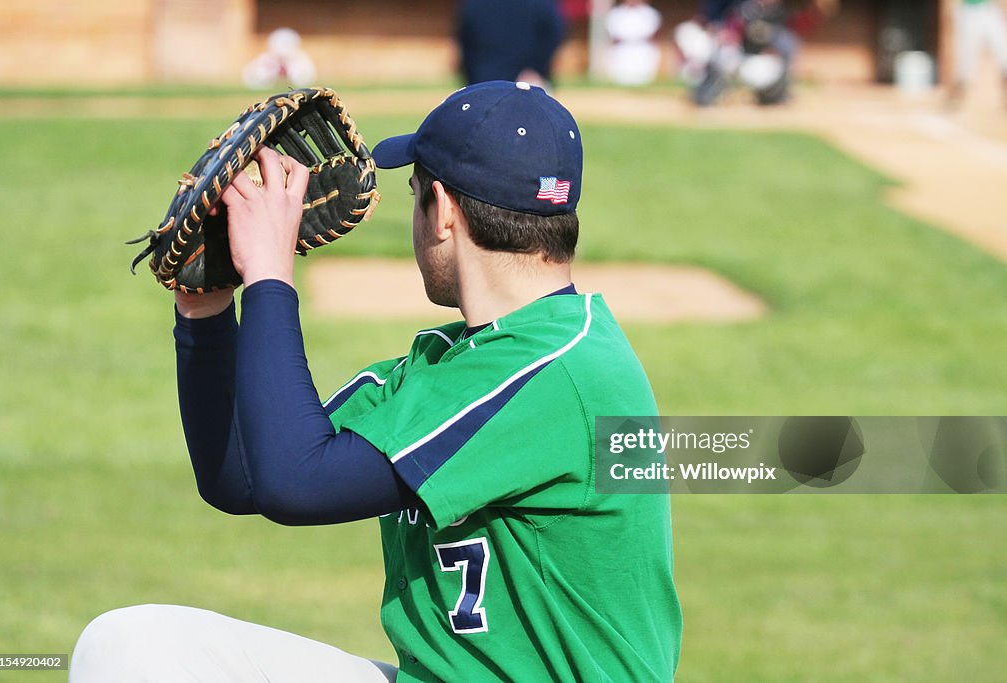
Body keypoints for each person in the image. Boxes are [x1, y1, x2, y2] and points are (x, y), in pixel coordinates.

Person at [69, 81, 682, 681]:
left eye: (413, 189)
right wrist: (206, 311)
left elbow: (295, 487)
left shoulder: (556, 372)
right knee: (130, 644)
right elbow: (244, 477)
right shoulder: (461, 364)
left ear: (441, 210)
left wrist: (270, 275)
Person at [457, 0, 566, 89]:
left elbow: (465, 41)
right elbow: (554, 34)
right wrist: (536, 68)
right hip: (526, 80)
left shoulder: (474, 4)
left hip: (483, 80)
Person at [947, 0, 1007, 109]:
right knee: (965, 62)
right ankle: (956, 98)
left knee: (1004, 54)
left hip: (989, 9)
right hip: (969, 12)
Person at [604, 0, 664, 86]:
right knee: (620, 78)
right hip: (622, 49)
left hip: (643, 49)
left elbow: (653, 34)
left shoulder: (650, 13)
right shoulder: (616, 13)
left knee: (644, 78)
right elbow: (613, 34)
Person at [242, 27, 317, 90]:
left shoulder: (301, 59)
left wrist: (289, 74)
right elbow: (249, 76)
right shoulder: (266, 58)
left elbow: (307, 78)